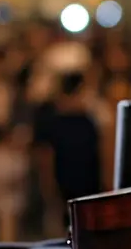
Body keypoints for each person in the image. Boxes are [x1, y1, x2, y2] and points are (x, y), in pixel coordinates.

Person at [35, 72, 103, 230]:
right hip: (63, 191)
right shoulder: (51, 122)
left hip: (88, 190)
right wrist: (49, 191)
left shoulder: (88, 121)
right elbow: (45, 159)